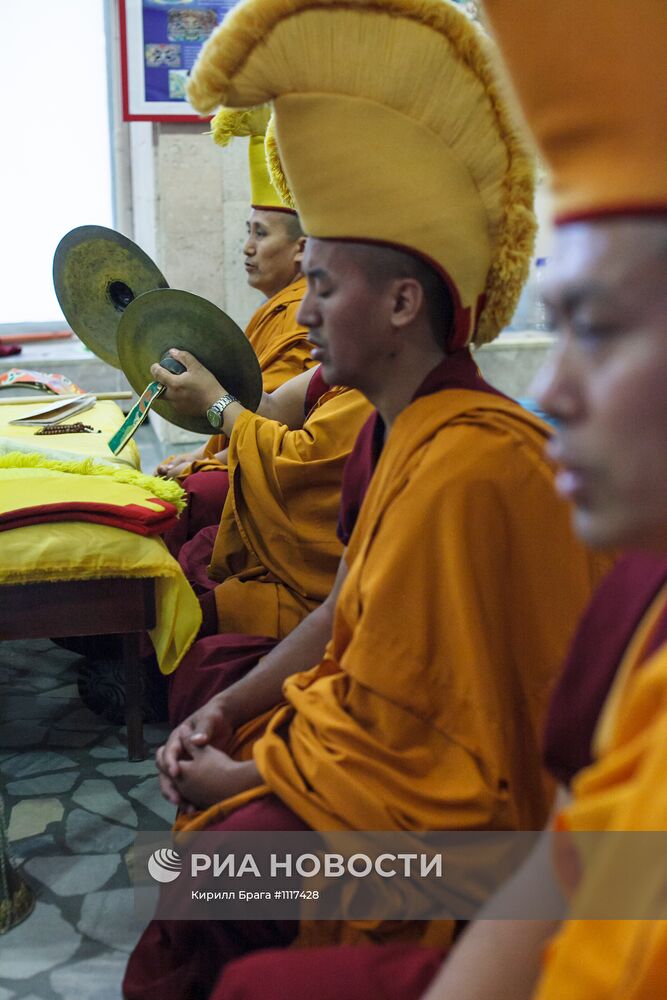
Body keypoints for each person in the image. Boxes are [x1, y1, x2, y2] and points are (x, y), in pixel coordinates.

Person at [123, 1, 610, 996]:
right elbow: (349, 602)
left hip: (471, 825)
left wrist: (255, 774)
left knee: (213, 870)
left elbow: (451, 748)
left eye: (319, 285)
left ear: (398, 303)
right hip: (370, 747)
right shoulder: (397, 426)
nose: (298, 311)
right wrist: (236, 705)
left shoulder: (476, 466)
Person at [158, 106, 316, 550]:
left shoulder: (302, 315)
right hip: (255, 451)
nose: (246, 247)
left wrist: (212, 410)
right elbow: (267, 408)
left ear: (304, 249)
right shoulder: (274, 310)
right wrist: (200, 455)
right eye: (248, 231)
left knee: (191, 498)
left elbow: (281, 436)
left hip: (282, 479)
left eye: (261, 234)